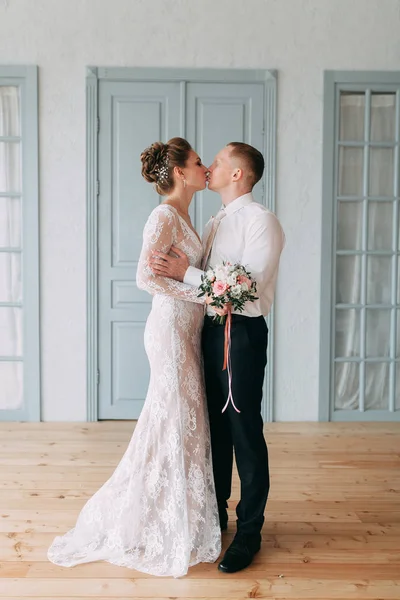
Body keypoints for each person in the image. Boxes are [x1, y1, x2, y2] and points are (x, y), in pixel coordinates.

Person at [47, 138, 221, 578]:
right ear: (180, 172)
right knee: (172, 419)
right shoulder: (163, 215)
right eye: (199, 162)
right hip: (168, 332)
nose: (206, 168)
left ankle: (175, 512)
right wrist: (202, 292)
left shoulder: (186, 216)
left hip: (187, 329)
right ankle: (147, 518)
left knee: (182, 423)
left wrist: (198, 293)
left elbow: (175, 271)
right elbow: (146, 276)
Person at [150, 142, 285, 573]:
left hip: (241, 336)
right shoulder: (212, 221)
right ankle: (218, 518)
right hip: (206, 334)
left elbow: (245, 292)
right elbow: (210, 286)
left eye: (220, 161)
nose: (210, 166)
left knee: (244, 428)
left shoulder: (262, 222)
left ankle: (250, 533)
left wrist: (184, 273)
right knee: (215, 431)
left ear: (238, 175)